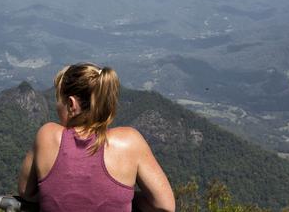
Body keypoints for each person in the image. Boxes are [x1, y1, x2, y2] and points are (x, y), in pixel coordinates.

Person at [18, 63, 175, 212]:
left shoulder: (47, 136)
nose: (56, 106)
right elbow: (165, 206)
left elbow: (26, 192)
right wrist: (127, 198)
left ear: (72, 104)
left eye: (58, 100)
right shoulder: (129, 143)